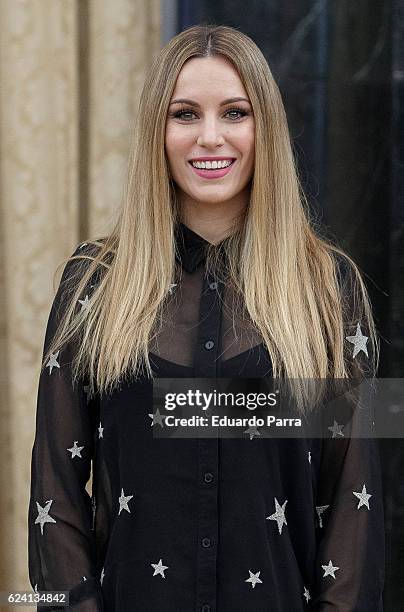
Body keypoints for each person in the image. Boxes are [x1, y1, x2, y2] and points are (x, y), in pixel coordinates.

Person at [28, 24, 385, 611]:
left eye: (236, 113)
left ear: (265, 127)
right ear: (157, 133)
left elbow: (355, 503)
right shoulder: (93, 283)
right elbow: (56, 499)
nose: (210, 137)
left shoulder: (330, 290)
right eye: (185, 114)